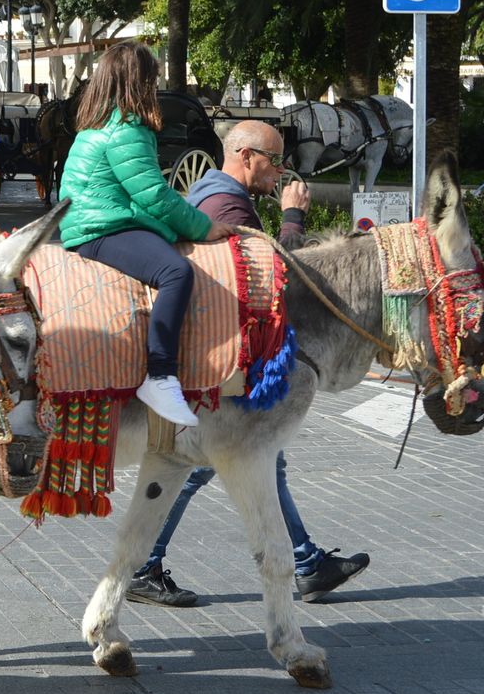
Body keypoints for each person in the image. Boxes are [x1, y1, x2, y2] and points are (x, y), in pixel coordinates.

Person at [125, 121, 370, 607]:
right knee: (204, 462)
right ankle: (144, 565)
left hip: (217, 355)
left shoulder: (214, 195)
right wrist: (293, 218)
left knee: (256, 458)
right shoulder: (226, 206)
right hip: (221, 360)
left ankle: (305, 561)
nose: (279, 171)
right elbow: (278, 278)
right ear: (244, 155)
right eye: (273, 160)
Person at [59, 43, 230, 427]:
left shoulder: (101, 124)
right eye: (151, 80)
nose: (155, 87)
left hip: (97, 221)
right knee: (175, 272)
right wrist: (204, 227)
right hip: (102, 228)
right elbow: (153, 193)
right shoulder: (126, 130)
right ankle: (160, 375)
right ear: (139, 82)